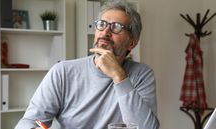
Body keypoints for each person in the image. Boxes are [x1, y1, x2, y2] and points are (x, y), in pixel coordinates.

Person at [15, 0, 159, 129]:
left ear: (131, 43)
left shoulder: (142, 74)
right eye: (102, 25)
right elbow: (29, 121)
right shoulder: (63, 72)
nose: (106, 32)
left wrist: (119, 76)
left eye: (116, 27)